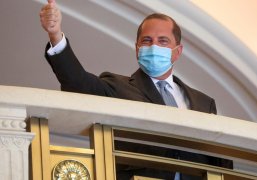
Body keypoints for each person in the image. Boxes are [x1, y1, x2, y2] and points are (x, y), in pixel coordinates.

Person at [40, 0, 232, 179]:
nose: (154, 46)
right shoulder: (117, 86)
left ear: (178, 51)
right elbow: (77, 82)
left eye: (163, 41)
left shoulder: (204, 102)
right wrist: (55, 35)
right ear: (137, 48)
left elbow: (220, 157)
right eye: (147, 40)